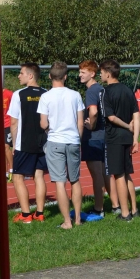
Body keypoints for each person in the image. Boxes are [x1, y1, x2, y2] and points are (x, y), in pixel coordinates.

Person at [37, 62, 85, 229]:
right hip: (73, 140)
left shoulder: (45, 97)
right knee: (75, 180)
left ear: (50, 76)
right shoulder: (75, 95)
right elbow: (80, 122)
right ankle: (78, 218)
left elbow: (43, 124)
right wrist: (77, 139)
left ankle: (67, 221)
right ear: (65, 76)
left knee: (59, 182)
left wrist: (51, 128)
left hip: (55, 140)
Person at [100, 59, 140, 222]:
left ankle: (125, 213)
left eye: (102, 72)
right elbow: (136, 116)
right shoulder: (128, 90)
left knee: (118, 175)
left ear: (108, 74)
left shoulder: (105, 92)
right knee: (126, 174)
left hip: (115, 137)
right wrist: (135, 138)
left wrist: (127, 127)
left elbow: (111, 117)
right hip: (127, 138)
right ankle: (134, 209)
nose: (100, 75)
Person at [79, 60, 119, 218]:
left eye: (83, 72)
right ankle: (115, 205)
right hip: (105, 135)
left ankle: (98, 208)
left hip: (94, 137)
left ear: (92, 74)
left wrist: (91, 126)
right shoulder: (102, 89)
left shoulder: (91, 91)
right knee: (106, 173)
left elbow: (93, 112)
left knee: (96, 174)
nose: (80, 75)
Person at [9, 63, 48, 223]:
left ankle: (26, 215)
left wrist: (13, 144)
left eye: (21, 73)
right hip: (43, 142)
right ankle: (40, 213)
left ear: (30, 75)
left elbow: (13, 122)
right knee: (39, 176)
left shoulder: (18, 94)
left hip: (24, 142)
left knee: (17, 177)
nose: (19, 76)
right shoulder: (46, 94)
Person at [3, 86, 14, 182]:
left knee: (6, 147)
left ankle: (12, 170)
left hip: (8, 124)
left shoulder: (9, 94)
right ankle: (6, 171)